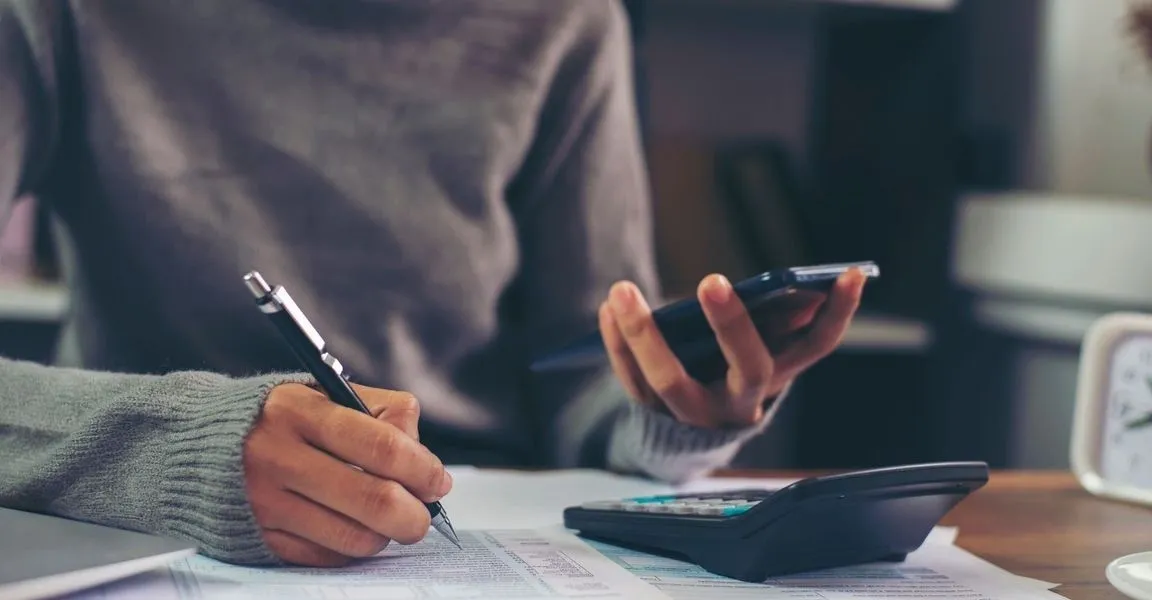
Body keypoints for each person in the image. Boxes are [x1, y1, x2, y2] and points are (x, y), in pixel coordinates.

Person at [0, 0, 866, 568]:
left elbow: (580, 370)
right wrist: (176, 450)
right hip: (134, 536)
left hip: (472, 523)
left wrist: (671, 406)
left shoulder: (566, 21)